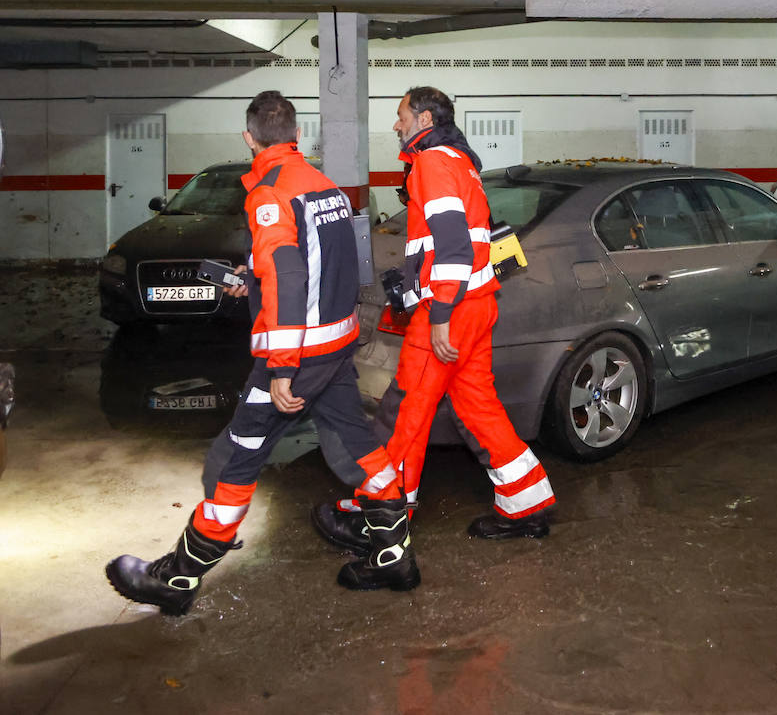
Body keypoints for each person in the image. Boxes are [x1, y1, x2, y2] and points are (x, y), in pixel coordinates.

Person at [106, 91, 417, 616]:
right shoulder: (327, 189)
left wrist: (281, 368)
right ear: (297, 136)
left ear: (249, 138)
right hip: (335, 346)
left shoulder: (270, 193)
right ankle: (393, 554)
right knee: (359, 447)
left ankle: (179, 577)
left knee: (234, 456)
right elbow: (321, 270)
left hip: (298, 355)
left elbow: (291, 278)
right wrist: (250, 284)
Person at [312, 86, 554, 554]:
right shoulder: (461, 162)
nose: (396, 124)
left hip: (451, 310)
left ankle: (379, 521)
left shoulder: (432, 163)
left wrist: (440, 313)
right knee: (477, 407)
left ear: (423, 119)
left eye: (401, 115)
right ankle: (528, 502)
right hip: (479, 305)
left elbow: (455, 248)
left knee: (406, 411)